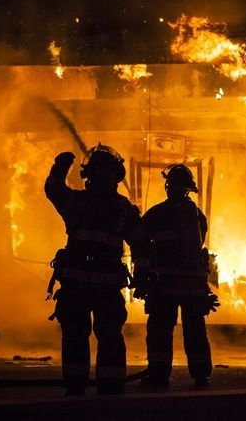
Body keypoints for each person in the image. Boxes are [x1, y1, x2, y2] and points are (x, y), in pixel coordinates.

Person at [44, 143, 149, 395]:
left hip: (82, 286)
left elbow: (54, 190)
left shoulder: (77, 202)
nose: (102, 177)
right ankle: (107, 387)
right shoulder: (121, 208)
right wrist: (143, 274)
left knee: (79, 335)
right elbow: (141, 245)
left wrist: (59, 170)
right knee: (103, 335)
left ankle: (77, 385)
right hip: (102, 287)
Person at [141, 163, 219, 388]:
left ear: (168, 186)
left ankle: (158, 375)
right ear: (189, 188)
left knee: (160, 330)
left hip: (165, 286)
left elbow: (140, 238)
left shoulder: (157, 213)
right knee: (195, 331)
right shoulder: (198, 216)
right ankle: (201, 375)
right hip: (193, 287)